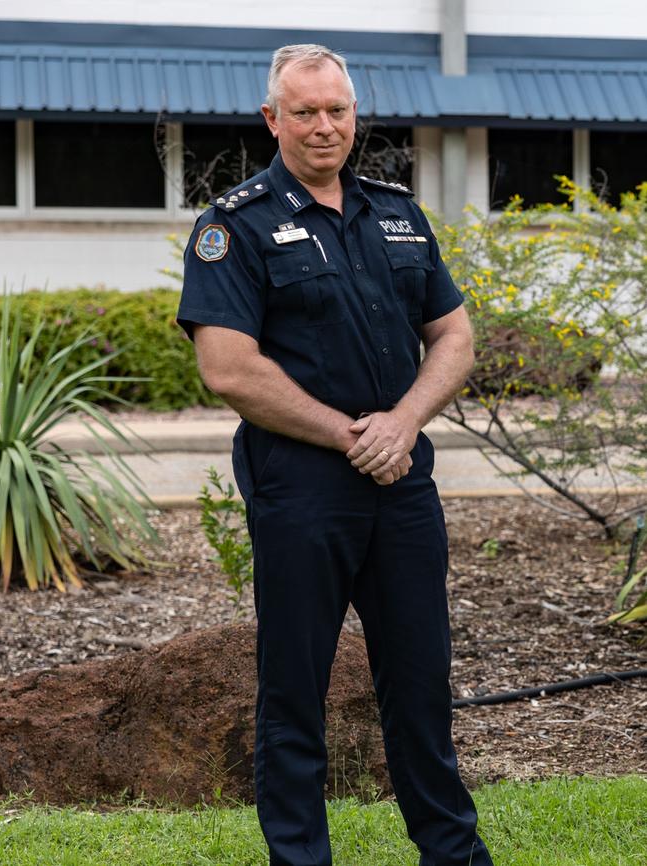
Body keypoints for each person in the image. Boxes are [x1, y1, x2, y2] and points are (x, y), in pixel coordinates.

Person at [177, 43, 494, 866]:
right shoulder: (232, 227)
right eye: (306, 111)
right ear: (271, 118)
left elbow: (454, 336)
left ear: (356, 114)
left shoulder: (396, 211)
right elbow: (228, 368)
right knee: (295, 695)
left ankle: (453, 854)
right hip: (303, 487)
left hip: (403, 485)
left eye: (338, 110)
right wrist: (352, 434)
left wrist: (403, 423)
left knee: (421, 686)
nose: (325, 126)